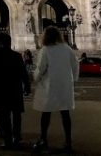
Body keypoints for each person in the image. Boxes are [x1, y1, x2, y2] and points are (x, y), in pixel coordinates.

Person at [32, 26, 79, 154]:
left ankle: (43, 139)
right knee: (65, 114)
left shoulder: (46, 50)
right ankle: (68, 141)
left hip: (50, 85)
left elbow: (41, 68)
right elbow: (75, 64)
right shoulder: (67, 49)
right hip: (64, 85)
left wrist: (35, 78)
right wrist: (74, 79)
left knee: (46, 113)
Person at [0, 33, 31, 148]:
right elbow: (24, 73)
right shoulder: (17, 56)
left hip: (2, 90)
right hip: (16, 89)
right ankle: (17, 136)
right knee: (17, 114)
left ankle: (8, 140)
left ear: (1, 43)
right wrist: (27, 87)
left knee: (5, 115)